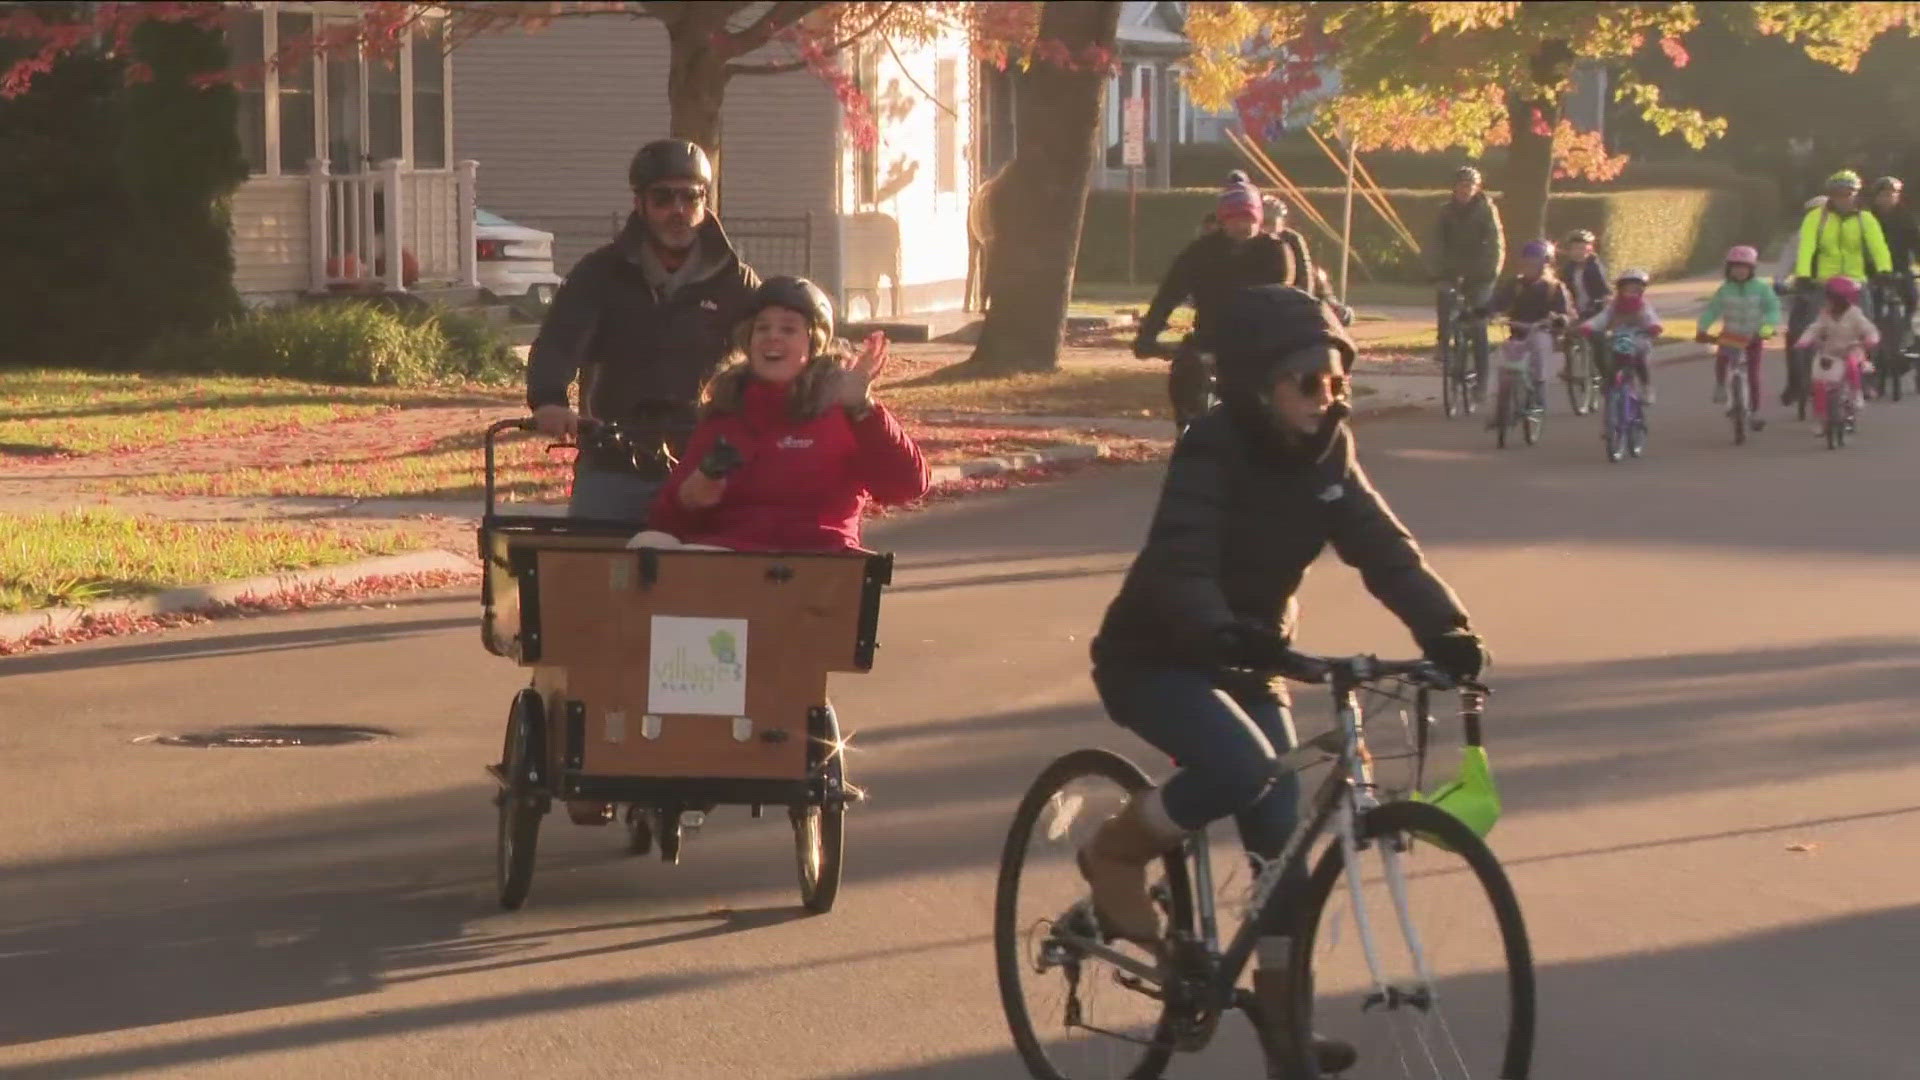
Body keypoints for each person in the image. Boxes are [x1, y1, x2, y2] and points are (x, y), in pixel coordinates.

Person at [1082, 284, 1487, 1076]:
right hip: (1156, 655)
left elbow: (1383, 547)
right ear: (1257, 387)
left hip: (1251, 658)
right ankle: (1116, 853)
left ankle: (1283, 1028)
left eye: (1336, 381)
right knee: (1241, 768)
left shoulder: (1331, 453)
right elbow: (1181, 556)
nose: (1325, 398)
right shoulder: (1213, 445)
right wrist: (1218, 627)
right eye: (1307, 382)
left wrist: (1448, 629)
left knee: (1281, 846)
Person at [525, 138, 761, 521]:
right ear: (640, 203)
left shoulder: (736, 281)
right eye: (663, 198)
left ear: (706, 201)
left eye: (691, 197)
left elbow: (774, 350)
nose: (678, 210)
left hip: (707, 462)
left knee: (712, 574)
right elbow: (559, 341)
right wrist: (549, 399)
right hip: (613, 458)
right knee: (592, 567)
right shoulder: (600, 273)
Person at [639, 276, 929, 552]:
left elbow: (906, 486)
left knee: (698, 565)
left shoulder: (842, 409)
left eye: (788, 329)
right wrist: (689, 499)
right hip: (728, 555)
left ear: (813, 343)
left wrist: (862, 409)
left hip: (816, 561)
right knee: (648, 545)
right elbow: (668, 521)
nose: (772, 337)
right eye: (762, 328)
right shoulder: (726, 412)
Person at [1135, 178, 1303, 428]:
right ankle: (1189, 433)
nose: (1242, 225)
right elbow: (1169, 294)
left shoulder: (1275, 252)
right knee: (1185, 376)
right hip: (1210, 338)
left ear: (1259, 220)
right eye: (1235, 219)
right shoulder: (1200, 252)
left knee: (1273, 396)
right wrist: (1147, 336)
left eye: (1249, 219)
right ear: (1222, 221)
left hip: (1260, 341)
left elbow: (1283, 298)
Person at [1431, 165, 1506, 401]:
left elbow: (1496, 244)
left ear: (1477, 188)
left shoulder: (1486, 211)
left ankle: (1481, 383)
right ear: (1454, 188)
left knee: (1478, 324)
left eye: (1469, 186)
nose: (1465, 190)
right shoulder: (1444, 212)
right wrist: (1437, 270)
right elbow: (1434, 244)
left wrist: (1489, 272)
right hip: (1452, 269)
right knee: (1445, 297)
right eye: (1461, 186)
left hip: (1480, 272)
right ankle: (1444, 343)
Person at [1477, 239, 1574, 414]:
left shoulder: (1554, 288)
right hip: (1517, 332)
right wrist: (1486, 311)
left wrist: (1559, 319)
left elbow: (1564, 312)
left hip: (1541, 331)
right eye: (1526, 262)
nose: (1529, 267)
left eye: (1534, 263)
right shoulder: (1514, 284)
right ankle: (1502, 402)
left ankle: (1538, 394)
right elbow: (1498, 301)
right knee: (1503, 360)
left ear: (1545, 264)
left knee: (1539, 353)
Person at [1695, 245, 1782, 429]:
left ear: (1752, 269)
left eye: (1744, 268)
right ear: (1729, 270)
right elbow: (1712, 310)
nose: (1740, 272)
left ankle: (1755, 411)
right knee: (1722, 360)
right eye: (1735, 268)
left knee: (1753, 375)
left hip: (1753, 336)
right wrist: (1702, 329)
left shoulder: (1761, 288)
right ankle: (1720, 385)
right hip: (1731, 336)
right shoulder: (1724, 290)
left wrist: (1767, 328)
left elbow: (1772, 309)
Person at [1793, 170, 1892, 311]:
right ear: (1831, 195)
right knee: (1817, 325)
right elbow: (1806, 247)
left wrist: (1884, 269)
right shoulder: (1816, 217)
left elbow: (1878, 246)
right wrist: (1803, 274)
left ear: (1856, 194)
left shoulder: (1865, 218)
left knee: (1865, 325)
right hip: (1825, 281)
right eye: (1838, 194)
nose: (1843, 199)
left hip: (1856, 281)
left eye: (1848, 194)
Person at [1792, 276, 1879, 435]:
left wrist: (1871, 338)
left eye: (1838, 299)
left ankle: (1855, 393)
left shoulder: (1855, 314)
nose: (1833, 303)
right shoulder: (1824, 314)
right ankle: (1820, 418)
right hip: (1829, 353)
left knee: (1853, 365)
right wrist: (1804, 341)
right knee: (1819, 384)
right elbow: (1815, 328)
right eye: (1831, 298)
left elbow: (1868, 329)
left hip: (1851, 350)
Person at [1578, 268, 1663, 405]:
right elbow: (1602, 318)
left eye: (1635, 290)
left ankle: (1646, 386)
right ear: (1620, 290)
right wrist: (1588, 327)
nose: (1631, 293)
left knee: (1641, 361)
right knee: (1613, 360)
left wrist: (1654, 327)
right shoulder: (1614, 306)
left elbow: (1651, 318)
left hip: (1639, 337)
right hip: (1620, 338)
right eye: (1627, 290)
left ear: (1641, 291)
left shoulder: (1643, 306)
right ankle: (1612, 384)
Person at [1869, 176, 1919, 315]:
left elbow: (1915, 241)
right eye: (1885, 194)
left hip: (1901, 267)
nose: (1890, 197)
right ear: (1877, 197)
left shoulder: (1906, 217)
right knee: (1872, 305)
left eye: (1894, 194)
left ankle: (1906, 327)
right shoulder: (1868, 218)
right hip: (1874, 270)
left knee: (1912, 299)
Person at [1557, 229, 1611, 320]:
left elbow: (1603, 293)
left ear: (1590, 250)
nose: (1577, 253)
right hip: (1573, 312)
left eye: (1581, 249)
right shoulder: (1568, 269)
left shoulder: (1595, 268)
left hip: (1594, 312)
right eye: (1574, 249)